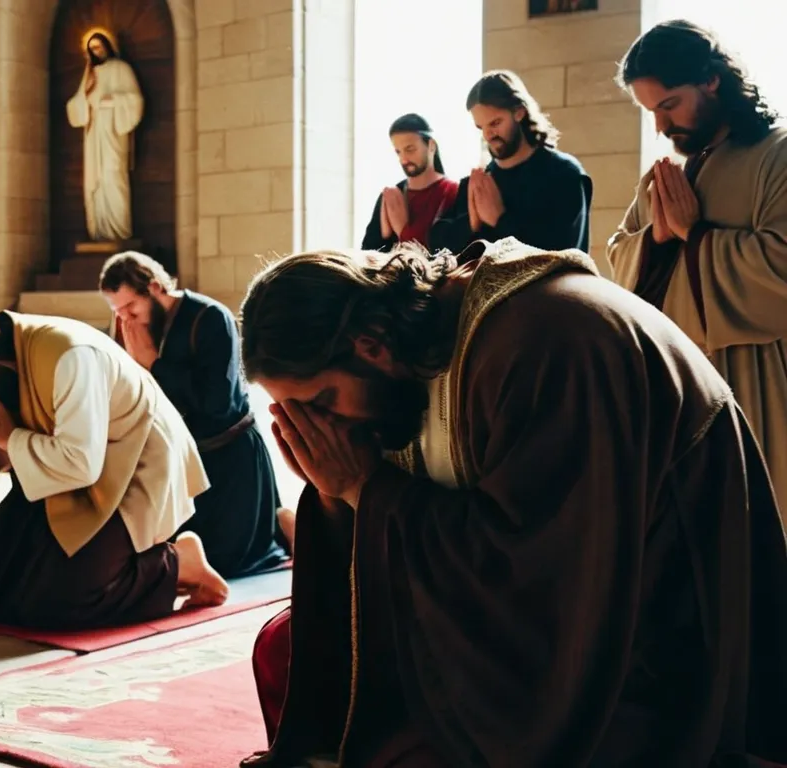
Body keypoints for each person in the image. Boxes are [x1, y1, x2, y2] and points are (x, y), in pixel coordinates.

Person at [236, 241, 787, 767]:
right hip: (537, 608)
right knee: (287, 655)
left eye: (321, 403)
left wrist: (364, 489)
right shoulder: (408, 351)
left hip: (654, 623)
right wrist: (339, 494)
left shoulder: (548, 341)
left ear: (371, 344)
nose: (320, 429)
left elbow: (543, 575)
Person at [0, 310, 230, 629]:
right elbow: (15, 461)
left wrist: (7, 436)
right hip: (65, 476)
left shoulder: (69, 355)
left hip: (134, 465)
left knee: (64, 603)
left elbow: (81, 464)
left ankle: (178, 563)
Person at [608, 19, 787, 524]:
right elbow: (619, 263)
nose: (662, 128)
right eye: (650, 113)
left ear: (711, 80)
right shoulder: (664, 177)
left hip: (758, 383)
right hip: (676, 395)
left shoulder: (778, 157)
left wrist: (696, 234)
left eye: (669, 106)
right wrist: (657, 240)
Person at [100, 251, 290, 578]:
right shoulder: (134, 328)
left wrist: (154, 364)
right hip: (182, 462)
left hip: (231, 460)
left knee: (227, 563)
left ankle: (287, 526)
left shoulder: (210, 317)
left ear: (156, 287)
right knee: (166, 556)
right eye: (118, 312)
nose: (126, 320)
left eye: (131, 308)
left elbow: (220, 403)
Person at [429, 71, 600, 271]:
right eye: (480, 127)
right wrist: (471, 224)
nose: (488, 135)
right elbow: (439, 249)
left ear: (519, 112)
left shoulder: (564, 174)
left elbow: (561, 257)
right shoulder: (478, 182)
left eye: (495, 123)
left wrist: (499, 220)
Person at [66, 30, 144, 242]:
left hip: (112, 132)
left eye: (99, 47)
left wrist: (111, 101)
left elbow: (135, 100)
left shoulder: (121, 69)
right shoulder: (89, 74)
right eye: (92, 49)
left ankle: (119, 232)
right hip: (94, 136)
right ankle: (99, 233)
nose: (96, 52)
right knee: (97, 184)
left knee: (114, 177)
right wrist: (86, 104)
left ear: (108, 46)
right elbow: (76, 105)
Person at [360, 114, 459, 252]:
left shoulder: (454, 192)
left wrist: (403, 230)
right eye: (398, 152)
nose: (404, 159)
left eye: (410, 149)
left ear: (431, 146)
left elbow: (453, 251)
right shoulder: (390, 196)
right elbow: (369, 252)